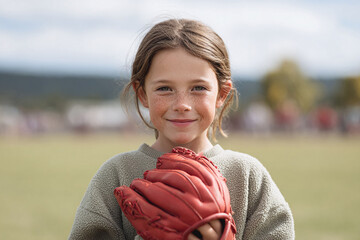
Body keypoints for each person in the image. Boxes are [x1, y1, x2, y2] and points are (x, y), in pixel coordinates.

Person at [69, 18, 295, 240]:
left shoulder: (247, 176)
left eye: (198, 88)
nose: (182, 105)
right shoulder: (116, 175)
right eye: (165, 88)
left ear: (222, 94)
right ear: (142, 95)